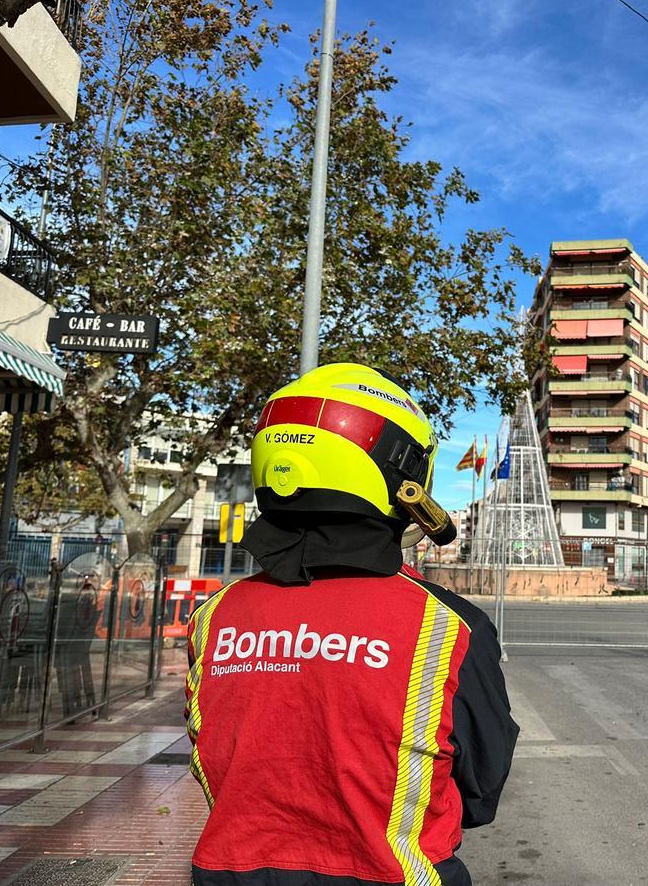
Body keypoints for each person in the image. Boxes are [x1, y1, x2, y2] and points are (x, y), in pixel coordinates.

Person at [185, 363, 517, 886]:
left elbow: (213, 754)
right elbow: (480, 787)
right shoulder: (449, 626)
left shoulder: (213, 615)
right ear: (401, 472)